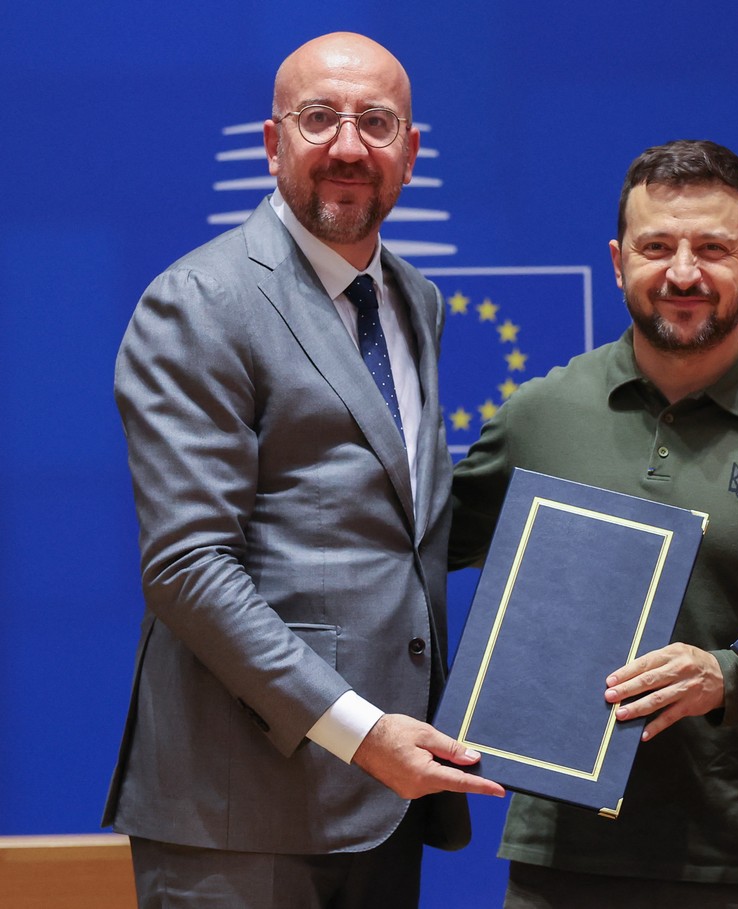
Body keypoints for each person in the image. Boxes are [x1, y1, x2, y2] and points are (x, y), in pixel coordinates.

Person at [106, 32, 503, 908]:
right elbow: (188, 567)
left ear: (412, 150)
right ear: (272, 141)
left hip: (386, 800)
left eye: (377, 122)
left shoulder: (414, 298)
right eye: (319, 118)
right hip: (240, 809)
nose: (350, 146)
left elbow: (392, 526)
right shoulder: (201, 303)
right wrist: (361, 733)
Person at [449, 139, 738, 908]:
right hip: (564, 857)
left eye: (713, 249)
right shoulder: (539, 416)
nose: (683, 273)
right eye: (658, 246)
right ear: (619, 261)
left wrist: (726, 676)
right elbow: (406, 564)